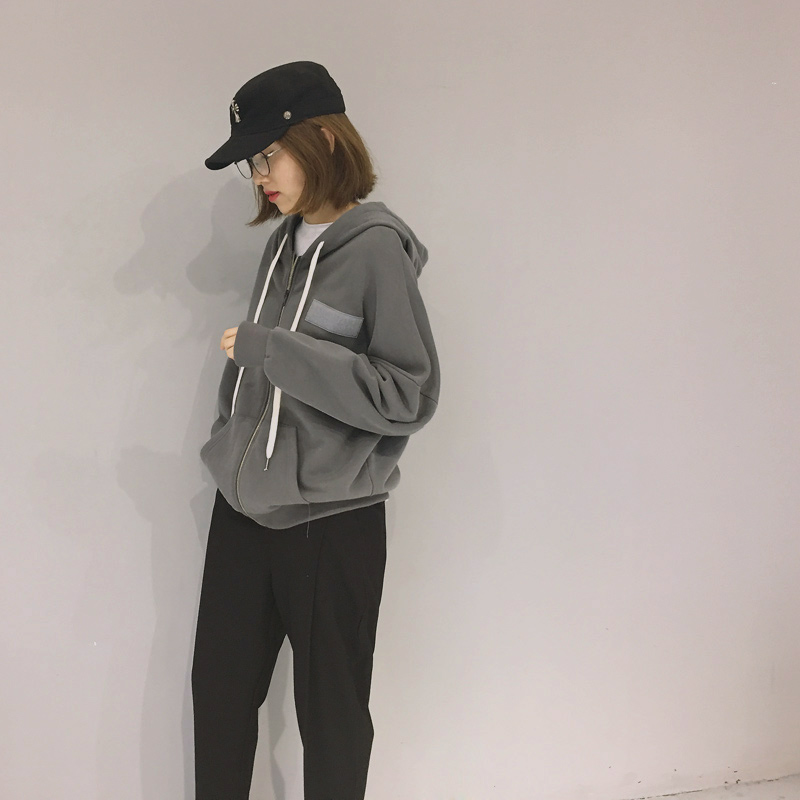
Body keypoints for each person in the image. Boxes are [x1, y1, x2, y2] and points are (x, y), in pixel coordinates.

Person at [191, 61, 441, 800]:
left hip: (331, 524)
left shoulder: (376, 251)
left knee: (331, 718)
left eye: (270, 155)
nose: (260, 175)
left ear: (325, 139)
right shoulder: (283, 243)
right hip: (245, 513)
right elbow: (256, 373)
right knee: (218, 695)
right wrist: (228, 442)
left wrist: (277, 351)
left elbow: (407, 394)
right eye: (252, 162)